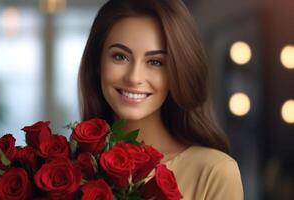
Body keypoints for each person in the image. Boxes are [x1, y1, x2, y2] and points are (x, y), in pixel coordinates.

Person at [78, 0, 244, 199]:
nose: (134, 77)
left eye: (155, 62)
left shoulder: (213, 172)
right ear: (97, 63)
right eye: (120, 57)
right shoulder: (71, 171)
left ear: (177, 71)